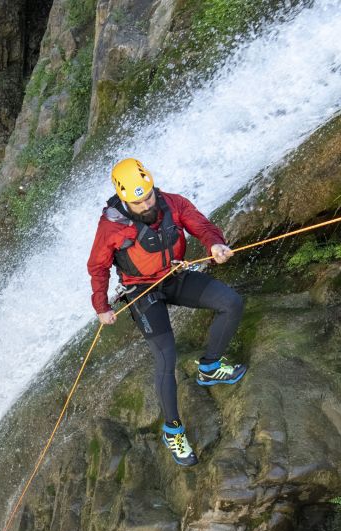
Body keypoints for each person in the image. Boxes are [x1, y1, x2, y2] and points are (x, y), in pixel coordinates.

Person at [87, 158, 247, 467]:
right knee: (166, 358)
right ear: (123, 199)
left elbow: (201, 225)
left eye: (148, 195)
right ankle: (173, 430)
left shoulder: (172, 203)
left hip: (175, 277)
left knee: (231, 303)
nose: (146, 203)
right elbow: (97, 267)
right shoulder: (111, 226)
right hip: (141, 292)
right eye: (138, 201)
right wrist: (101, 307)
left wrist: (215, 245)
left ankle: (210, 367)